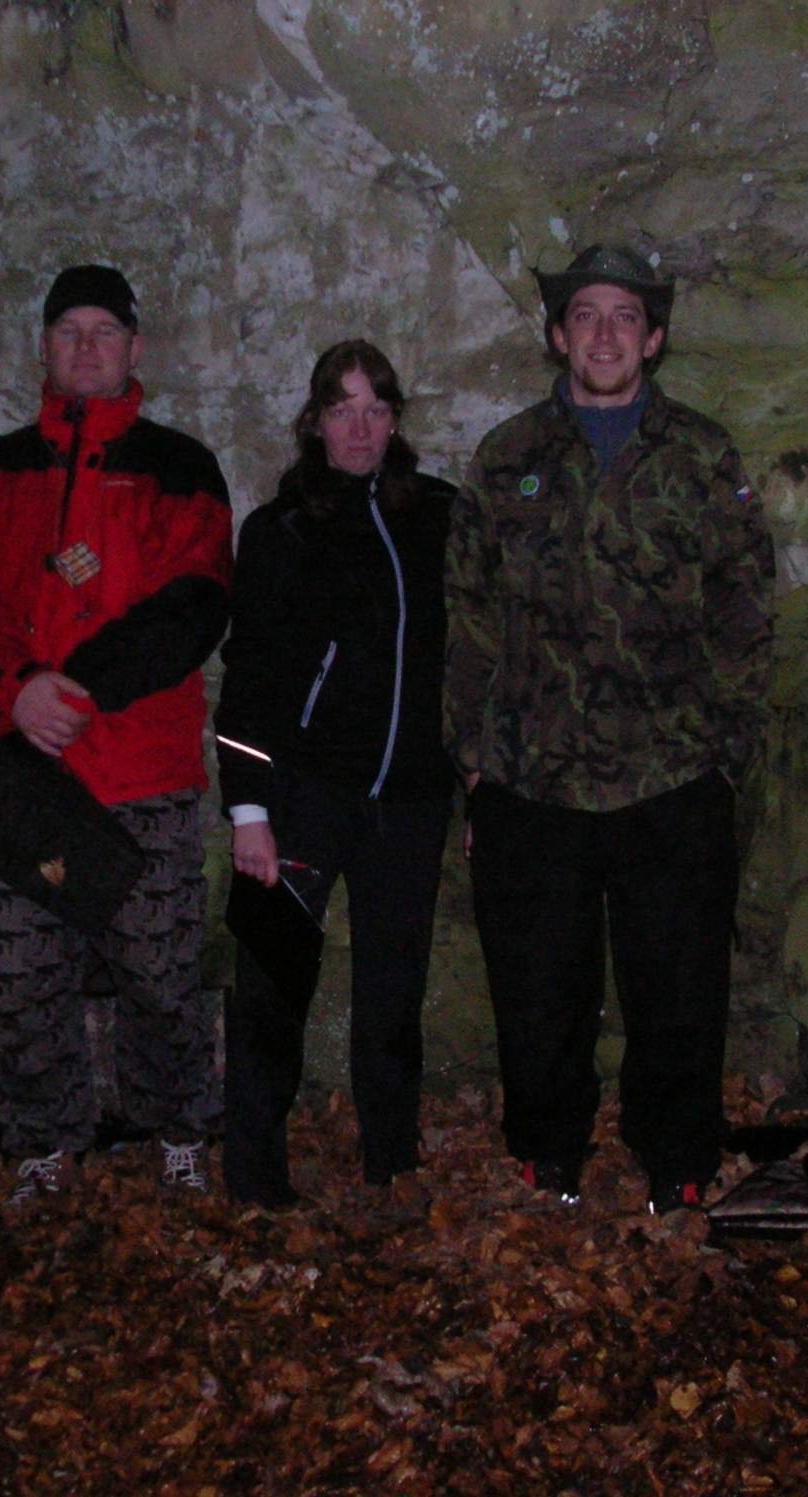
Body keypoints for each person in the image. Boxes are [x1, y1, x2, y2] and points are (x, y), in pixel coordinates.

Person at [445, 244, 775, 1212]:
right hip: (531, 775)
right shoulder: (506, 458)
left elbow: (744, 608)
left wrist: (726, 752)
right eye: (584, 314)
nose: (603, 333)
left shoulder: (702, 456)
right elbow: (468, 616)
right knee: (538, 985)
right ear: (557, 335)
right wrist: (474, 759)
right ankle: (547, 1150)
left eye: (623, 316)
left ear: (653, 338)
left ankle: (676, 1155)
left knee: (677, 985)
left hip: (670, 774)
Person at [0, 264, 232, 1201]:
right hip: (16, 771)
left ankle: (178, 1128)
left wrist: (81, 688)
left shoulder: (181, 466)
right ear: (44, 348)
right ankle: (45, 1142)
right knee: (21, 979)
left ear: (135, 347)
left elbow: (193, 601)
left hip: (139, 765)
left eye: (105, 331)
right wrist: (18, 690)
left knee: (163, 974)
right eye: (70, 331)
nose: (87, 347)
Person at [215, 340, 455, 1208]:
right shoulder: (279, 530)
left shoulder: (439, 517)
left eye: (376, 410)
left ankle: (391, 1162)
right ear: (315, 421)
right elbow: (248, 678)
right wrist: (248, 810)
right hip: (302, 798)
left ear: (396, 422)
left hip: (409, 801)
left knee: (393, 993)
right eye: (343, 409)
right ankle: (254, 1175)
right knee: (271, 987)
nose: (360, 428)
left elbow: (475, 653)